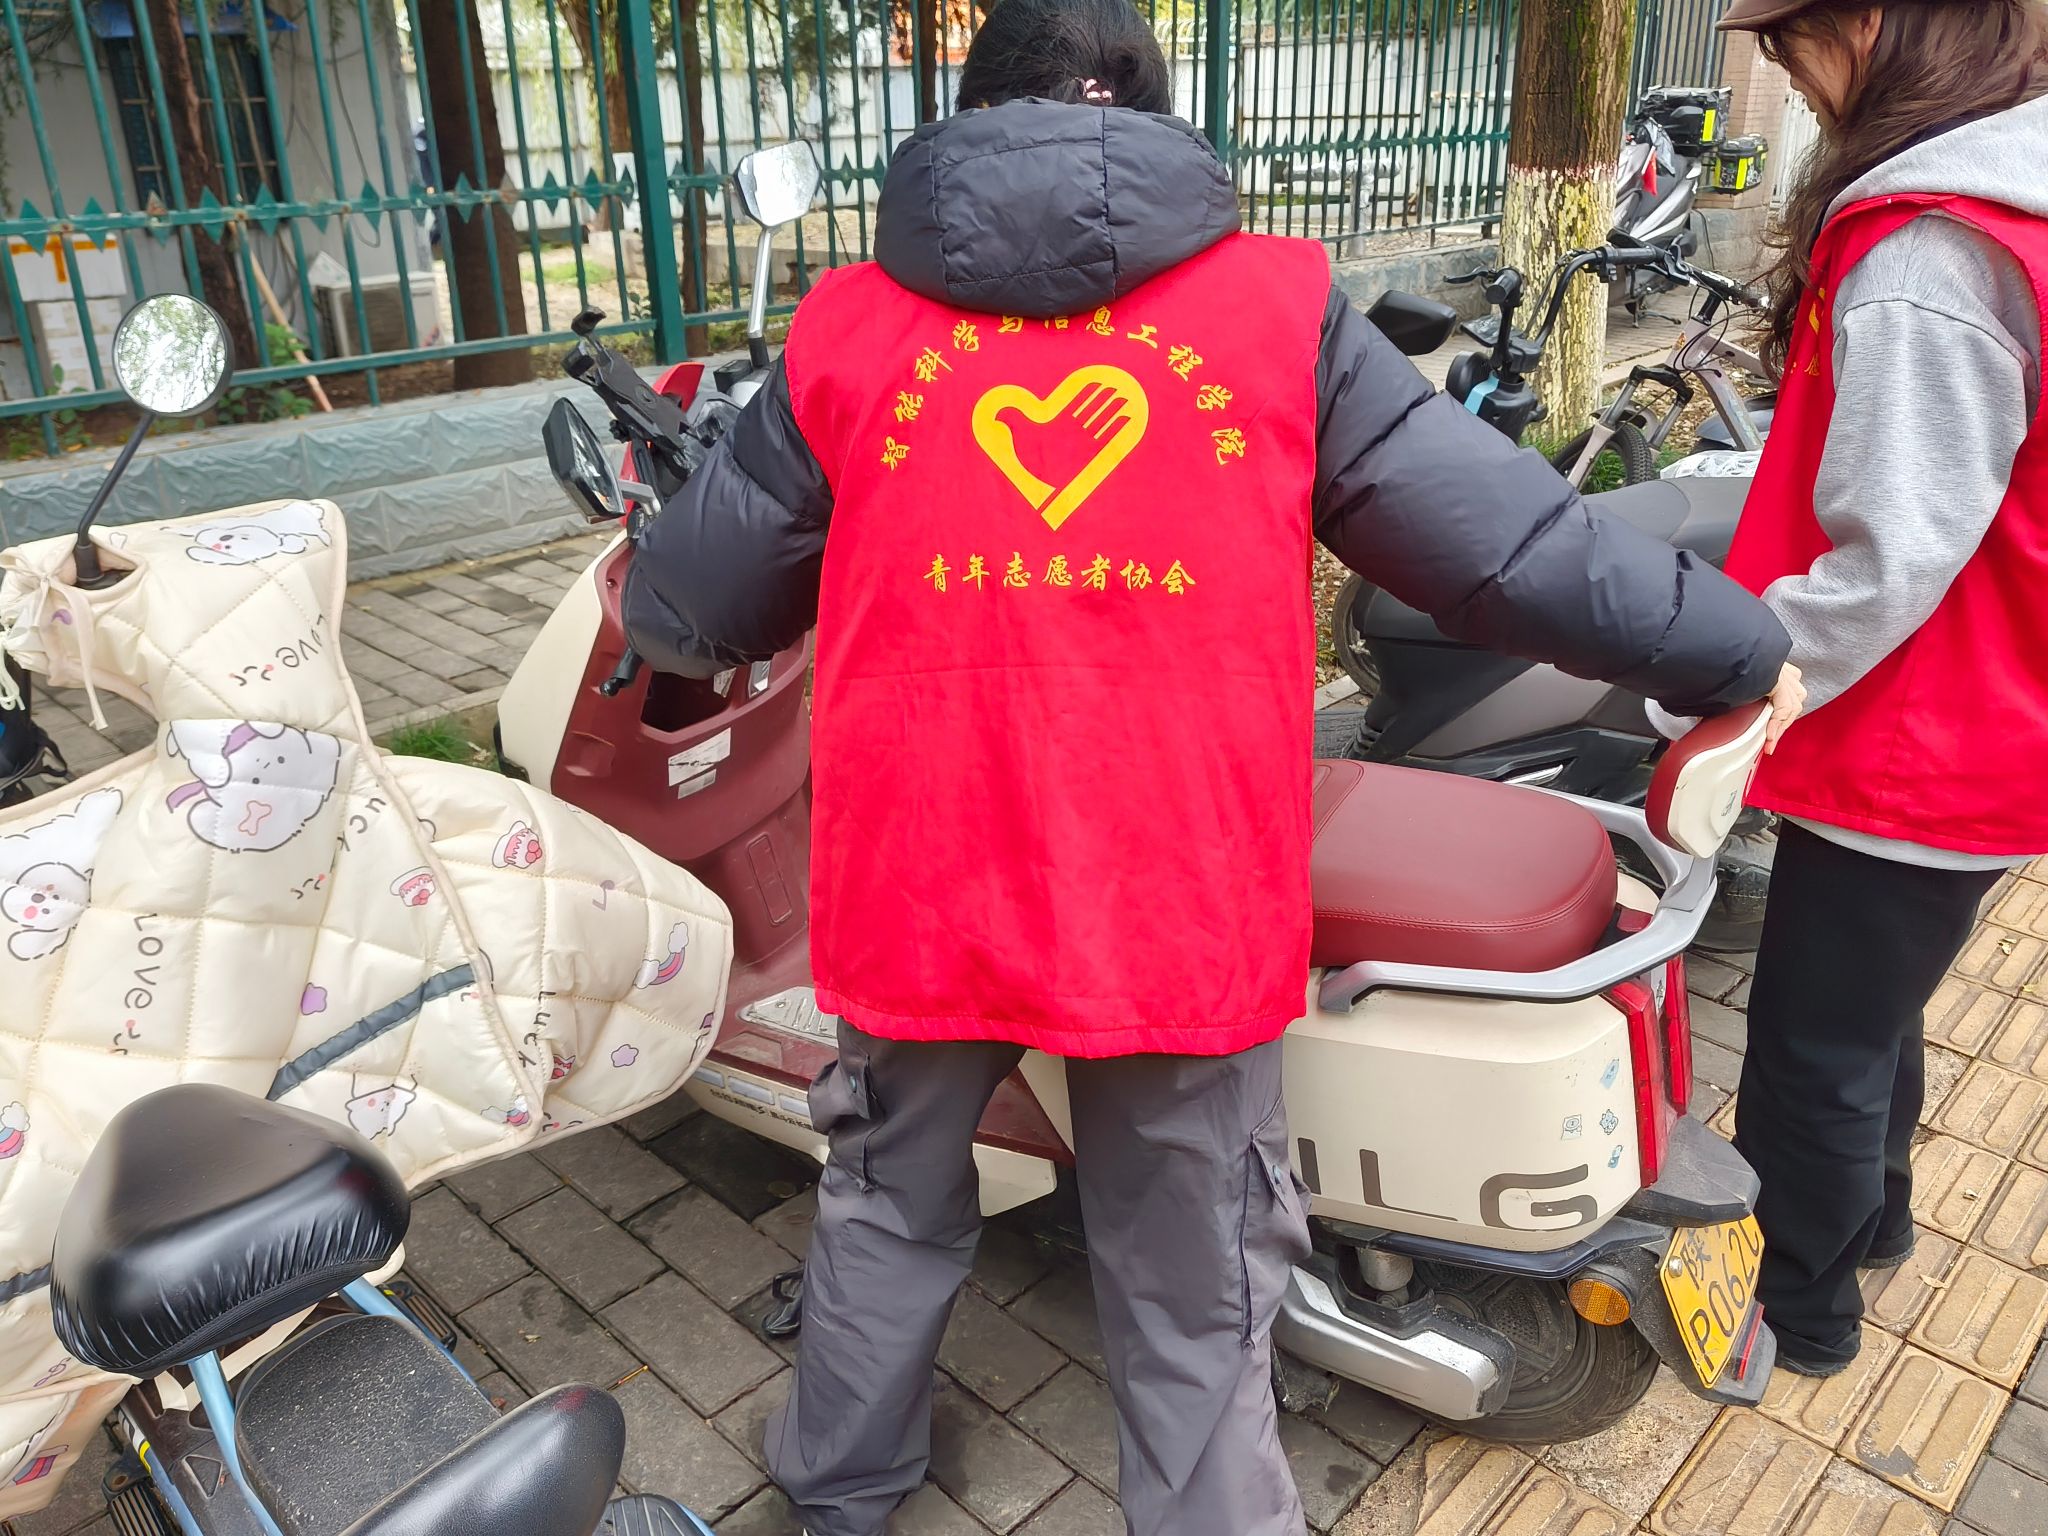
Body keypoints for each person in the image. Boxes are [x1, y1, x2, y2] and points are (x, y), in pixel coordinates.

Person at [623, 0, 1799, 1528]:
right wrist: (1734, 648)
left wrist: (670, 595)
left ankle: (840, 1489)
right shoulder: (1278, 309)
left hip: (919, 878)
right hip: (1172, 890)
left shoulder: (848, 327)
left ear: (974, 118)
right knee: (1194, 1284)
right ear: (1152, 112)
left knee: (885, 1199)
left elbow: (697, 603)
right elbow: (1509, 546)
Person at [1711, 0, 2048, 1378]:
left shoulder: (1932, 250)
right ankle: (1878, 1223)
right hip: (1989, 704)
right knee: (1871, 1016)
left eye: (1787, 48)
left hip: (1920, 731)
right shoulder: (2012, 199)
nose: (1788, 79)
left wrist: (1739, 672)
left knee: (1809, 1050)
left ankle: (1797, 1312)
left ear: (1866, 24)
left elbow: (1888, 557)